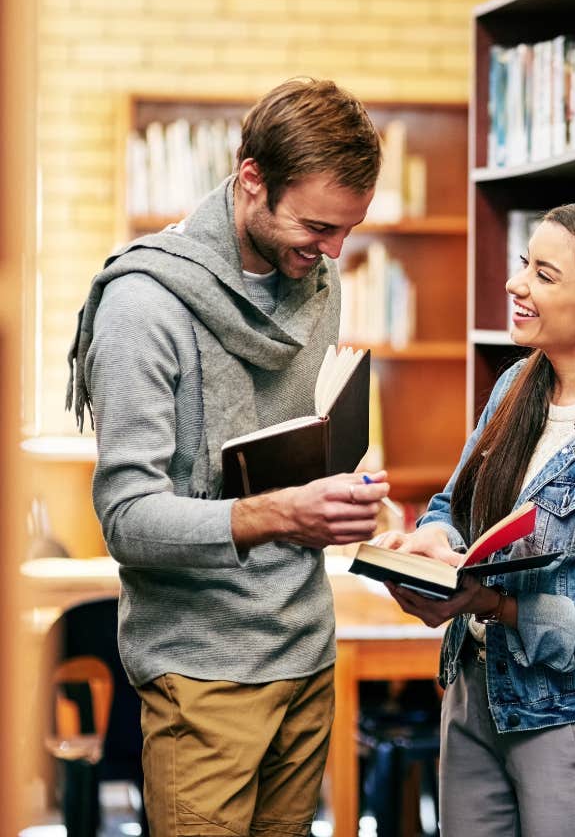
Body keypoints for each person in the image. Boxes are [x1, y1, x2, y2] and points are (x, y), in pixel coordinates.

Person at [66, 77, 391, 837]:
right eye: (317, 225)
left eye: (349, 230)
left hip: (307, 649)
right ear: (251, 180)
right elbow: (127, 518)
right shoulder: (144, 306)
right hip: (201, 670)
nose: (335, 252)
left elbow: (291, 444)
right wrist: (281, 513)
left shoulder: (316, 280)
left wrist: (339, 490)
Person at [376, 201, 575, 837]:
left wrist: (493, 603)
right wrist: (429, 547)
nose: (516, 283)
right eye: (525, 263)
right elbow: (451, 508)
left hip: (573, 724)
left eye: (545, 275)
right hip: (475, 695)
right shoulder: (513, 389)